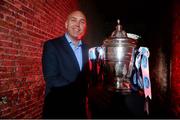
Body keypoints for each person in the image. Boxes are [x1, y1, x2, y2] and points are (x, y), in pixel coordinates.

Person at [42, 10, 89, 118]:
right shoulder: (52, 45)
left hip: (80, 111)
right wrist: (81, 91)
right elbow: (52, 78)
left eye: (82, 22)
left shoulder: (88, 50)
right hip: (58, 109)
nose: (78, 24)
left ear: (85, 27)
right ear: (66, 24)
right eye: (73, 20)